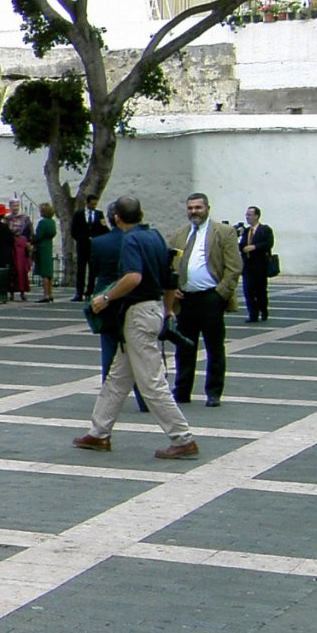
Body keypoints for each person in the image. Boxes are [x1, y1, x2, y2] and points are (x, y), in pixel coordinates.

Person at [74, 195, 198, 459]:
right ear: (141, 213)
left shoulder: (131, 239)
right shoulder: (154, 236)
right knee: (118, 377)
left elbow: (133, 277)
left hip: (138, 313)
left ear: (116, 218)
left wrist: (105, 297)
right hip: (152, 308)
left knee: (151, 383)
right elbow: (169, 278)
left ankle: (182, 437)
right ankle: (99, 432)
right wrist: (166, 311)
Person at [168, 192, 242, 407]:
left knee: (214, 347)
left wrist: (221, 294)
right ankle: (182, 390)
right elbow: (170, 264)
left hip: (211, 298)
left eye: (198, 208)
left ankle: (214, 392)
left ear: (207, 208)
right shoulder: (179, 235)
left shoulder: (224, 232)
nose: (194, 212)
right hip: (185, 299)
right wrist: (173, 289)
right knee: (184, 348)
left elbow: (234, 267)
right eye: (190, 208)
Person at [238, 206, 274, 323]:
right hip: (248, 266)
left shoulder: (265, 229)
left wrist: (254, 247)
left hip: (260, 266)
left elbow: (268, 243)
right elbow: (241, 246)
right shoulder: (246, 231)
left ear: (256, 216)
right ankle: (252, 314)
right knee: (248, 290)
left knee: (260, 291)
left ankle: (263, 311)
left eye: (249, 215)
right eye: (246, 215)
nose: (247, 217)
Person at [70, 194, 107, 300]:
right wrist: (81, 239)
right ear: (87, 203)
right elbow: (74, 230)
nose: (94, 206)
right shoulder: (79, 214)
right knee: (81, 269)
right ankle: (79, 292)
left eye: (95, 204)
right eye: (92, 204)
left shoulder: (99, 214)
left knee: (93, 270)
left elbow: (103, 228)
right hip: (82, 245)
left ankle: (90, 292)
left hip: (94, 246)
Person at [5, 199, 34, 300]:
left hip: (22, 247)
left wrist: (29, 243)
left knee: (22, 269)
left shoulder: (25, 218)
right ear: (10, 206)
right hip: (12, 246)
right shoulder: (7, 219)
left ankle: (23, 291)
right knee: (12, 269)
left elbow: (30, 231)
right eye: (14, 206)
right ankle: (11, 292)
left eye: (17, 205)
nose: (16, 208)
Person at [32, 202, 58, 303]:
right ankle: (50, 293)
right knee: (49, 272)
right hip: (49, 246)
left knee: (44, 273)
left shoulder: (42, 223)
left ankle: (46, 294)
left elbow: (38, 236)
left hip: (42, 247)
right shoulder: (52, 222)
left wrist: (32, 240)